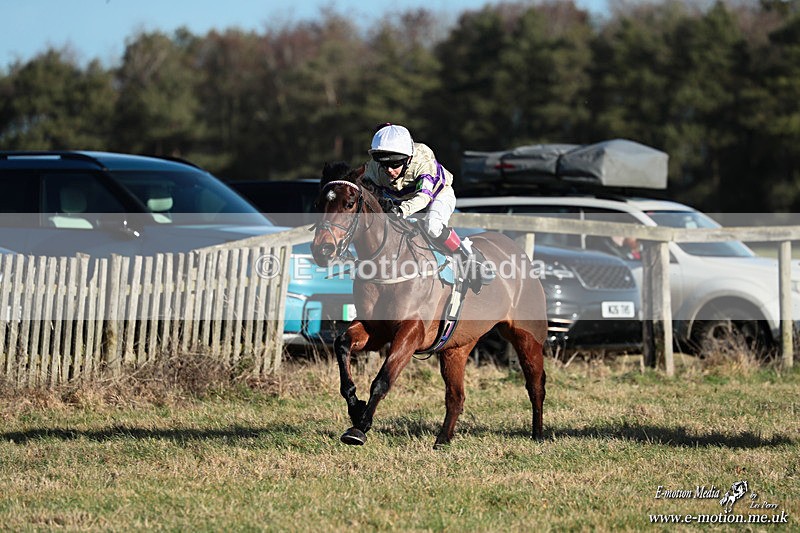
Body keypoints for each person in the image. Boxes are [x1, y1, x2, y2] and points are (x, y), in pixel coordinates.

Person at [362, 123, 495, 290]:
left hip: (436, 196)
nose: (389, 170)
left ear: (408, 158)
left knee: (433, 226)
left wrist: (401, 210)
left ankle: (467, 255)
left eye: (395, 164)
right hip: (402, 200)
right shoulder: (374, 168)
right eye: (383, 163)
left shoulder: (423, 160)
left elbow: (424, 198)